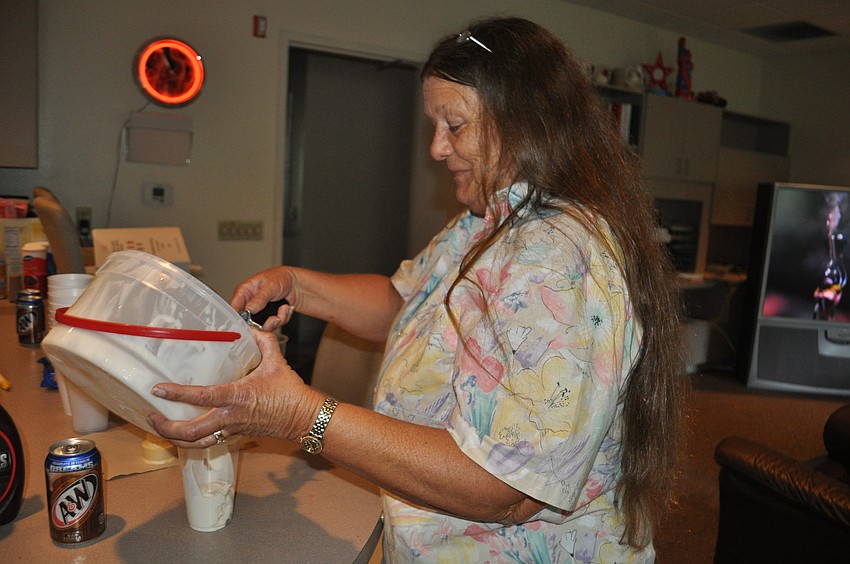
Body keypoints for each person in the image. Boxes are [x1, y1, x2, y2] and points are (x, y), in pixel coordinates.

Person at [148, 17, 686, 563]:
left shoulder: (557, 256)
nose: (435, 147)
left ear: (525, 122)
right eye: (435, 123)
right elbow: (404, 305)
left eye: (454, 124)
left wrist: (300, 416)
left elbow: (503, 487)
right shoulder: (488, 220)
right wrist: (298, 285)